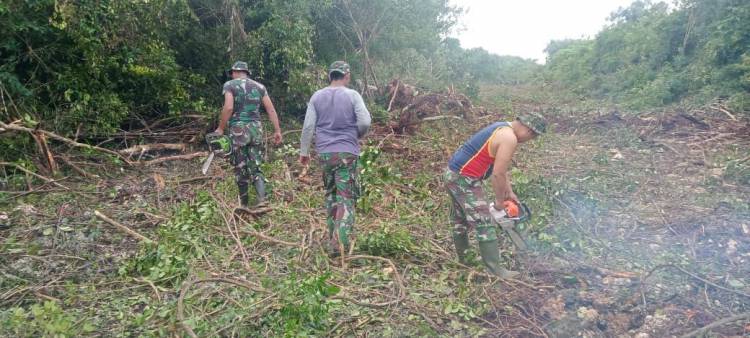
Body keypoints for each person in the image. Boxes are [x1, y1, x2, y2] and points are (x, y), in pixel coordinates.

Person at [444, 113, 547, 278]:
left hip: (453, 174)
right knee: (484, 222)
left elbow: (499, 169)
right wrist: (499, 202)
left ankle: (465, 260)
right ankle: (495, 270)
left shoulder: (501, 127)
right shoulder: (509, 138)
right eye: (533, 137)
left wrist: (509, 192)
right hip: (464, 178)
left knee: (459, 219)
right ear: (529, 130)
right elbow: (497, 174)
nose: (530, 140)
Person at [299, 61, 372, 257]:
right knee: (346, 198)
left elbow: (308, 127)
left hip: (325, 154)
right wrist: (356, 135)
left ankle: (333, 237)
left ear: (330, 75)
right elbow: (365, 121)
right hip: (347, 152)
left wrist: (304, 152)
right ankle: (339, 244)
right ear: (346, 76)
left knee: (331, 195)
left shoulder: (317, 96)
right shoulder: (352, 95)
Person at [215, 61, 282, 208]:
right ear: (247, 72)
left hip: (238, 130)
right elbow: (270, 110)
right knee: (255, 165)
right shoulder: (260, 87)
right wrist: (277, 130)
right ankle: (262, 200)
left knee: (240, 166)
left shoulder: (229, 85)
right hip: (256, 130)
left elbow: (228, 107)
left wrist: (220, 128)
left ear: (233, 72)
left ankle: (244, 205)